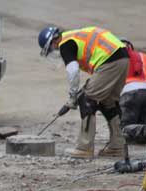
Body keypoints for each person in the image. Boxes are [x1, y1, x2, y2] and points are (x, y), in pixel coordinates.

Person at [39, 26, 129, 158]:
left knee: (87, 99)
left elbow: (73, 70)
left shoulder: (65, 43)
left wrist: (73, 96)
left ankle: (84, 148)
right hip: (122, 58)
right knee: (108, 102)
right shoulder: (74, 36)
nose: (54, 52)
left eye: (51, 50)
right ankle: (117, 146)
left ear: (54, 41)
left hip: (109, 60)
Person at [119, 38, 146, 143]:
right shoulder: (144, 57)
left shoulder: (116, 58)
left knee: (125, 128)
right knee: (145, 128)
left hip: (129, 93)